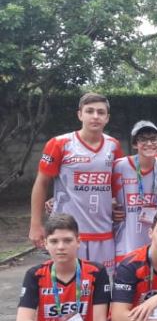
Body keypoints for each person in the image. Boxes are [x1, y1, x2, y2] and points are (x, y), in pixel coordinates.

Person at [29, 92, 122, 270]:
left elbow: (117, 185)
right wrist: (35, 224)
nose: (95, 116)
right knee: (66, 286)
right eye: (90, 111)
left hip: (102, 232)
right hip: (66, 233)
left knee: (101, 288)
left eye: (101, 112)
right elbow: (41, 183)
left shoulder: (113, 146)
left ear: (107, 118)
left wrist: (116, 205)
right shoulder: (59, 143)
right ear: (80, 114)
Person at [112, 120, 157, 261]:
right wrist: (111, 208)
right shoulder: (120, 166)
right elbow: (105, 192)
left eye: (153, 139)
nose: (149, 144)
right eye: (143, 140)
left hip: (154, 239)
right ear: (134, 144)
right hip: (125, 239)